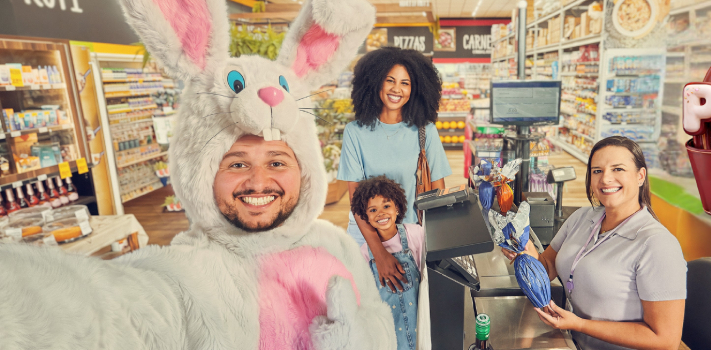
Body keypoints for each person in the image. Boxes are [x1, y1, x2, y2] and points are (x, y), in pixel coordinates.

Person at [0, 0, 396, 348]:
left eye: (277, 162)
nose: (259, 182)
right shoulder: (187, 277)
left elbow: (378, 318)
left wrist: (363, 339)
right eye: (237, 163)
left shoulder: (335, 245)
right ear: (200, 173)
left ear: (305, 171)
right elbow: (98, 315)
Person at [503, 136, 687, 350]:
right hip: (572, 341)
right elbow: (548, 266)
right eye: (597, 171)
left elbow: (665, 340)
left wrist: (579, 324)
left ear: (640, 176)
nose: (605, 179)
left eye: (618, 169)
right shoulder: (582, 217)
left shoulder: (658, 245)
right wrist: (522, 248)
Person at [339, 46, 450, 293]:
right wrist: (379, 254)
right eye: (390, 80)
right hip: (365, 237)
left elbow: (438, 197)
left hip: (409, 238)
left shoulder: (425, 131)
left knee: (409, 310)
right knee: (364, 305)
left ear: (415, 88)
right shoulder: (355, 132)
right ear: (375, 82)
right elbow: (356, 202)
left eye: (405, 83)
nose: (396, 89)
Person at [350, 176, 426, 350]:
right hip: (390, 334)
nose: (381, 213)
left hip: (420, 324)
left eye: (386, 206)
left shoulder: (416, 234)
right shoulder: (364, 253)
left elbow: (427, 276)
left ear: (397, 207)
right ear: (365, 216)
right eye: (373, 210)